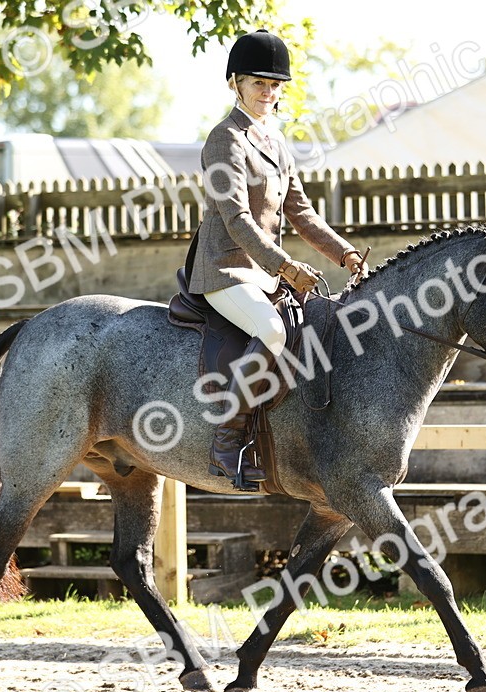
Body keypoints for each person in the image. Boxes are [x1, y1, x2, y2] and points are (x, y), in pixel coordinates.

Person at [189, 29, 364, 488]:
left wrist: (342, 251)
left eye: (274, 85)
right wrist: (285, 266)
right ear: (235, 84)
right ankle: (227, 440)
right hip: (224, 269)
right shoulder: (223, 139)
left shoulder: (275, 142)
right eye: (258, 83)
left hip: (262, 273)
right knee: (271, 328)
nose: (268, 93)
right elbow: (236, 221)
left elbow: (301, 211)